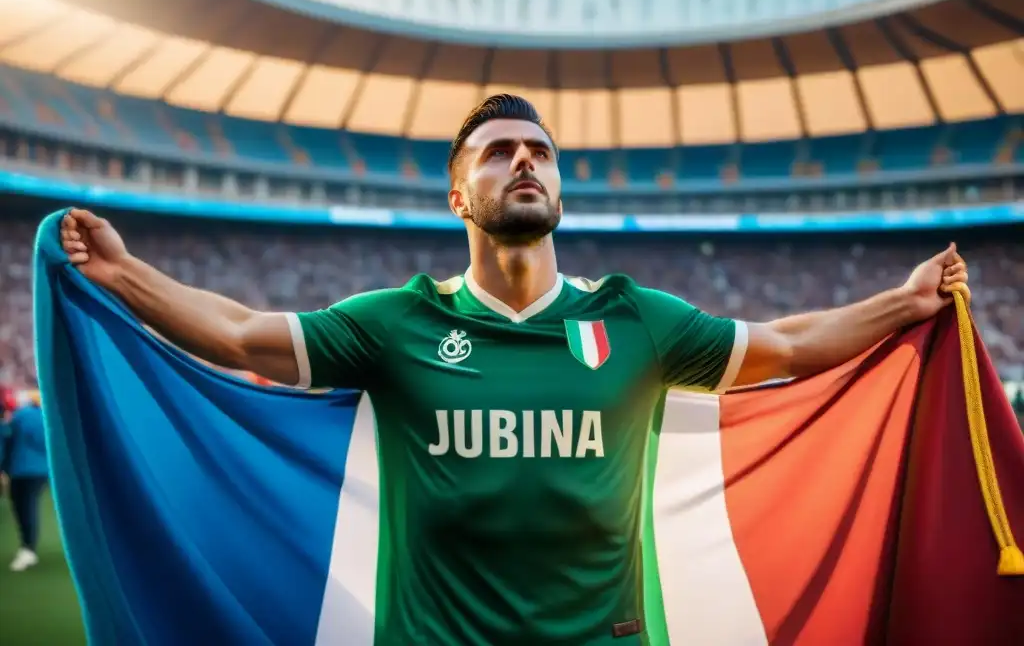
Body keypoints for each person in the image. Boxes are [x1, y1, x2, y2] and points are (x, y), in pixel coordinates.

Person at [59, 94, 970, 645]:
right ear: (460, 193)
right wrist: (123, 273)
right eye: (500, 152)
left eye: (539, 152)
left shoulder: (634, 320)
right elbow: (244, 335)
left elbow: (789, 346)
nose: (524, 161)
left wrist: (906, 300)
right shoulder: (398, 324)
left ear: (560, 189)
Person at [1, 390, 49, 572]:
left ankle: (28, 548)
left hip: (20, 470)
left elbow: (6, 440)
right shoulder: (45, 417)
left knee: (24, 508)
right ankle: (28, 546)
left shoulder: (20, 416)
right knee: (28, 506)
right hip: (40, 470)